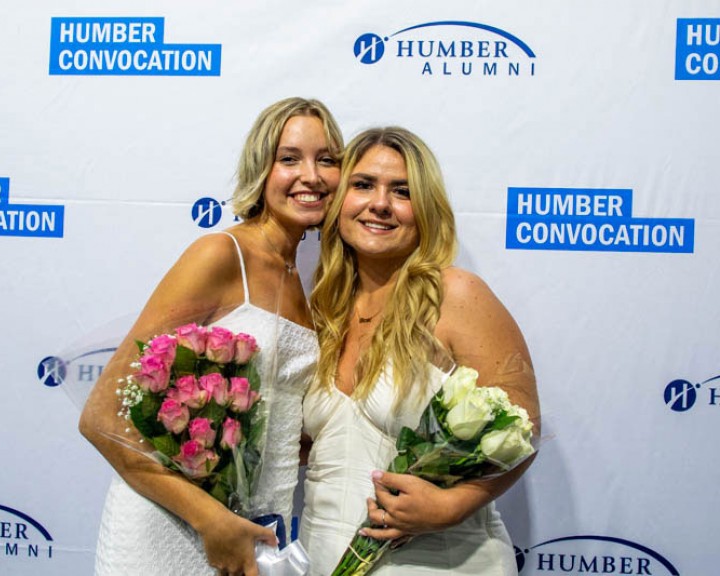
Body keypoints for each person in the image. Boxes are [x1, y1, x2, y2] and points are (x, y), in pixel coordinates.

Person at [79, 97, 343, 576]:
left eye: (327, 159)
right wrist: (208, 518)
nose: (312, 175)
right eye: (289, 159)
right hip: (174, 527)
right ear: (261, 170)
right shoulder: (221, 255)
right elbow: (100, 418)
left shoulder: (306, 281)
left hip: (257, 533)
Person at [300, 127, 540, 575]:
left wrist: (451, 506)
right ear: (337, 201)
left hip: (442, 561)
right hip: (322, 556)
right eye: (363, 185)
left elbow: (523, 430)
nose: (380, 204)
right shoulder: (324, 308)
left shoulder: (456, 294)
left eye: (402, 191)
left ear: (425, 210)